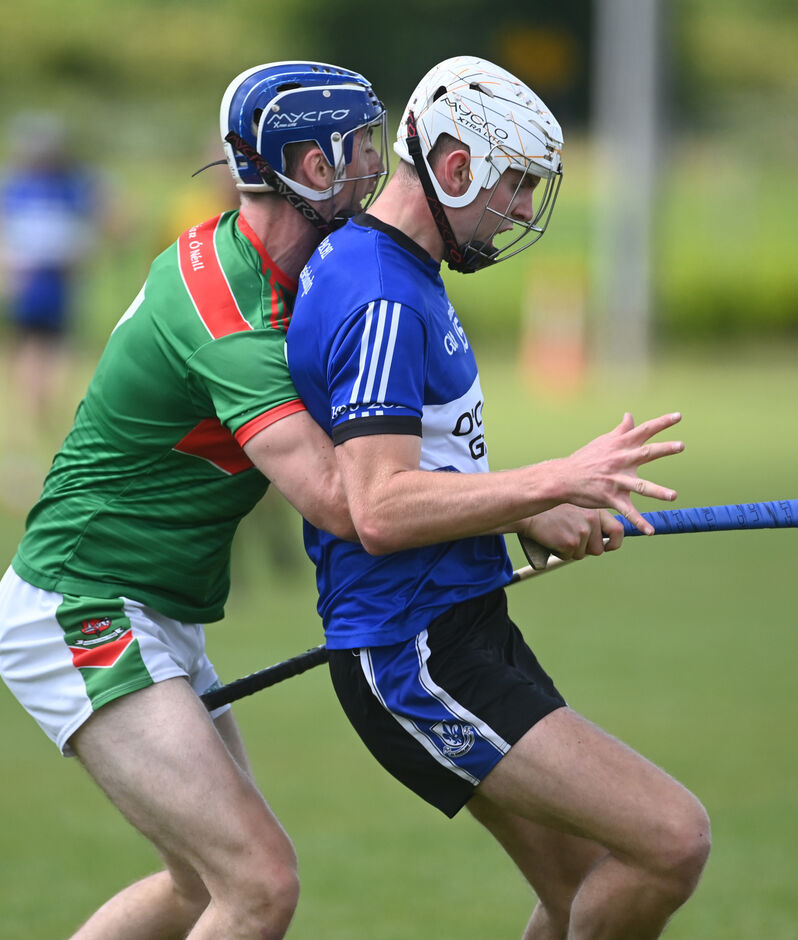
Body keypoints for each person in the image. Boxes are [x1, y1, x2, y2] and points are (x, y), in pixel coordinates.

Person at [287, 56, 710, 938]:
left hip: (463, 622)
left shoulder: (390, 268)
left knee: (584, 887)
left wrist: (523, 509)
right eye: (515, 184)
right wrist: (556, 477)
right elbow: (379, 508)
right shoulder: (382, 298)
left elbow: (419, 468)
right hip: (414, 650)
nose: (521, 209)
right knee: (671, 841)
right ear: (455, 168)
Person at [0, 61, 387, 938]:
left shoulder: (266, 268)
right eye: (357, 150)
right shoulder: (234, 320)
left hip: (144, 607)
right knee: (258, 884)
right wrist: (532, 500)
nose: (373, 169)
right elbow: (340, 501)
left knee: (203, 888)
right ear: (308, 167)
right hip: (83, 604)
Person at [0, 111, 119, 510]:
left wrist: (89, 251)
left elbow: (116, 218)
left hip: (59, 300)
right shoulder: (8, 185)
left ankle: (47, 461)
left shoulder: (75, 185)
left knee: (51, 388)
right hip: (18, 301)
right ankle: (16, 464)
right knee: (12, 383)